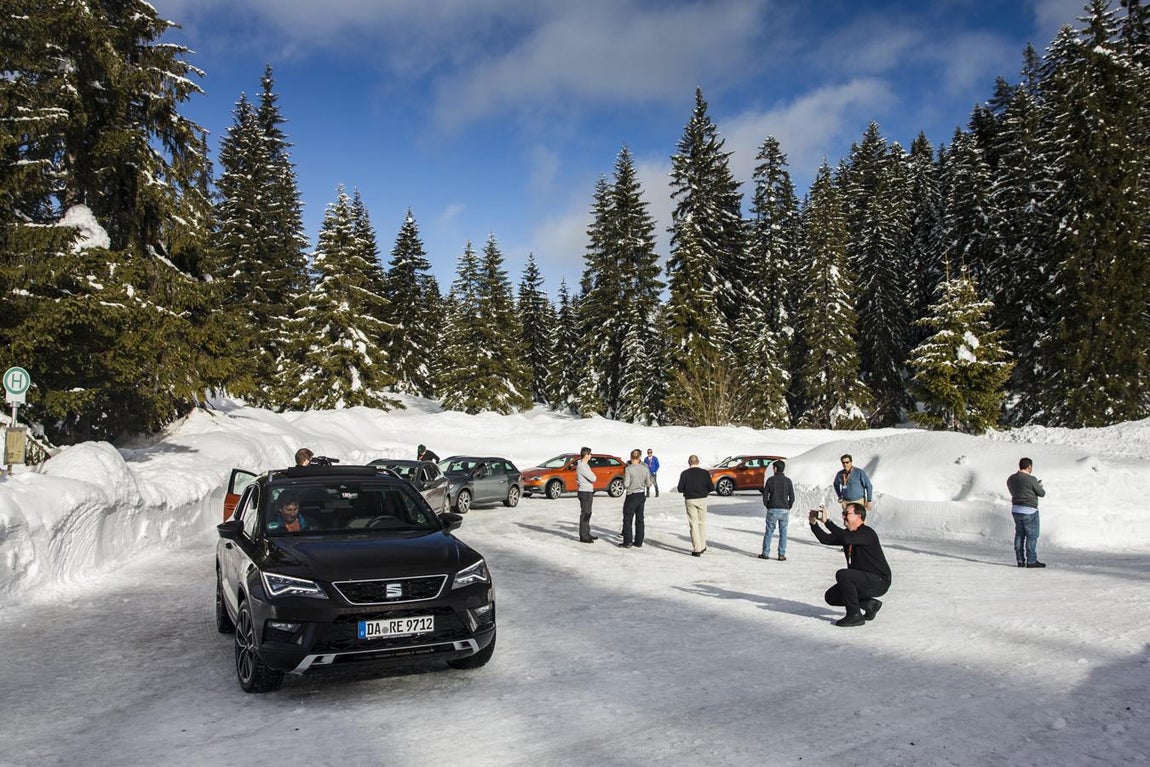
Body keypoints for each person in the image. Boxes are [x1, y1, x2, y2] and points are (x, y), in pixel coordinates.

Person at [809, 502, 891, 627]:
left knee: (843, 575)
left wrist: (827, 522)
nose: (843, 516)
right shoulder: (849, 534)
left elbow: (847, 538)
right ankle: (869, 604)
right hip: (862, 580)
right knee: (831, 597)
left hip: (879, 581)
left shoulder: (867, 533)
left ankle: (855, 615)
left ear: (858, 516)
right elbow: (825, 539)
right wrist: (813, 523)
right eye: (843, 513)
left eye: (846, 513)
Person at [1008, 457, 1046, 568]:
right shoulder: (1031, 479)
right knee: (1032, 536)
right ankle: (1031, 561)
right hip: (1030, 510)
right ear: (1029, 467)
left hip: (1016, 509)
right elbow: (1041, 493)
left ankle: (1020, 560)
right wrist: (1038, 486)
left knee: (1019, 534)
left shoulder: (1011, 478)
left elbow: (1014, 490)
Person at [676, 455, 714, 556]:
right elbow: (711, 487)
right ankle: (702, 545)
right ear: (698, 462)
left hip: (690, 500)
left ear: (689, 462)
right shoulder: (705, 473)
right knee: (702, 523)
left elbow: (680, 489)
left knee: (693, 524)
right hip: (702, 499)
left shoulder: (684, 474)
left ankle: (697, 548)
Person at [760, 459, 795, 561]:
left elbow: (765, 495)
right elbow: (792, 497)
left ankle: (765, 553)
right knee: (783, 532)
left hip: (772, 508)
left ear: (775, 468)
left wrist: (767, 504)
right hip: (784, 509)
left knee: (769, 532)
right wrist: (789, 505)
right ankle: (781, 554)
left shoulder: (770, 480)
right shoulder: (788, 481)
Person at [619, 448, 652, 548]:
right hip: (641, 494)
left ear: (631, 457)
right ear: (640, 457)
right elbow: (648, 483)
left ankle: (628, 541)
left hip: (631, 495)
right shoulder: (645, 468)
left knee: (628, 519)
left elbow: (626, 483)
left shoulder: (629, 468)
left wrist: (625, 482)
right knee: (640, 519)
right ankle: (639, 541)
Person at [576, 447, 597, 543]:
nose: (591, 455)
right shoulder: (582, 466)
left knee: (588, 513)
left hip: (588, 491)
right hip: (584, 492)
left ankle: (587, 532)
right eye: (590, 454)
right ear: (586, 455)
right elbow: (593, 478)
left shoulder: (586, 465)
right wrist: (592, 476)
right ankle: (583, 535)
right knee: (585, 514)